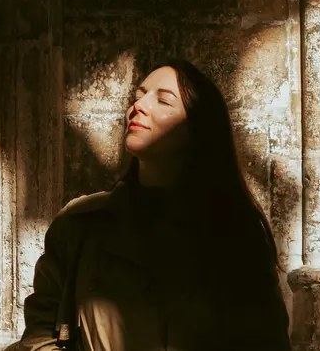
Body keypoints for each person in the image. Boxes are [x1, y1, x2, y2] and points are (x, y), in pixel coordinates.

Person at [16, 58, 291, 351]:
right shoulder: (79, 224)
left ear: (195, 128)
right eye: (138, 96)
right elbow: (40, 334)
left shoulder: (235, 233)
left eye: (163, 100)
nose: (139, 106)